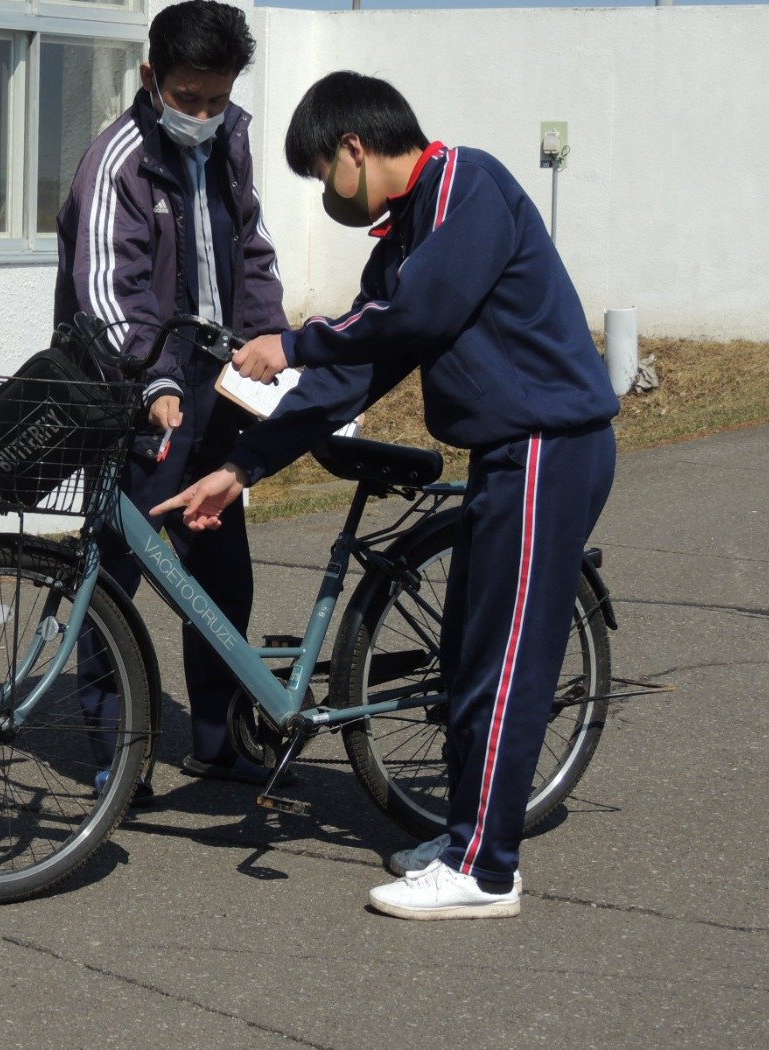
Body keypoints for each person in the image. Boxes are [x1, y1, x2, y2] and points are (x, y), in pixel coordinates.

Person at [153, 71, 619, 918]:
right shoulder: (406, 233)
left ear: (354, 149)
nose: (328, 193)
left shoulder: (467, 185)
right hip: (508, 454)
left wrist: (289, 342)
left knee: (504, 662)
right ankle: (468, 834)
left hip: (552, 445)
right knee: (470, 657)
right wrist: (244, 465)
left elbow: (414, 315)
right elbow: (352, 374)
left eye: (323, 171)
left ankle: (486, 872)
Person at [53, 0, 289, 798]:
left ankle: (216, 743)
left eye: (217, 98)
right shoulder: (114, 160)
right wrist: (150, 379)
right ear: (151, 78)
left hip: (218, 385)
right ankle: (114, 755)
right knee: (113, 576)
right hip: (134, 391)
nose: (203, 113)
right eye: (188, 97)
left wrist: (273, 346)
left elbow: (252, 251)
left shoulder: (229, 142)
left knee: (222, 572)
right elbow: (105, 295)